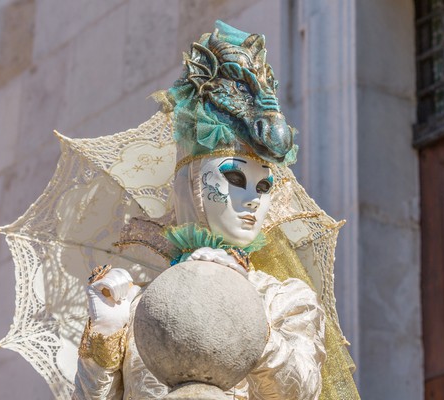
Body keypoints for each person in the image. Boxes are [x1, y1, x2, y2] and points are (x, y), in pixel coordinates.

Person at [73, 21, 360, 400]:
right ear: (189, 187)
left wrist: (240, 305)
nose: (253, 200)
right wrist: (106, 340)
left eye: (263, 186)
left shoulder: (284, 299)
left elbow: (301, 390)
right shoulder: (141, 306)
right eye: (235, 180)